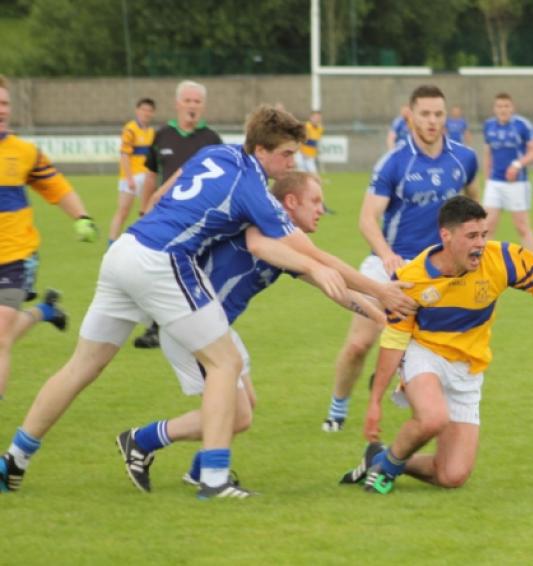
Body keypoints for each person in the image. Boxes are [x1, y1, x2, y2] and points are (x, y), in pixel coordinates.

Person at [0, 105, 413, 499]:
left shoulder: (216, 152)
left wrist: (382, 312)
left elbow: (165, 192)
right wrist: (381, 290)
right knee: (226, 362)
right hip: (161, 262)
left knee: (81, 367)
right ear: (261, 151)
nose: (292, 163)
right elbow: (312, 257)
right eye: (286, 154)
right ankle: (213, 478)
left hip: (126, 249)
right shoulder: (252, 188)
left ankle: (14, 460)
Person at [340, 196, 533, 494]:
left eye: (484, 234)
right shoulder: (412, 278)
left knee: (452, 475)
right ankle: (385, 474)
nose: (480, 244)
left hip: (469, 367)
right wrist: (375, 401)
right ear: (446, 235)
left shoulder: (504, 259)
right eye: (472, 236)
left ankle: (381, 459)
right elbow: (394, 341)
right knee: (433, 418)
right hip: (426, 354)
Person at [116, 172, 385, 493]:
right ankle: (141, 441)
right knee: (239, 415)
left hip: (216, 329)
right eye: (315, 201)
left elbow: (335, 288)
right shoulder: (257, 230)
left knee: (246, 405)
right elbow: (266, 248)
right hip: (190, 325)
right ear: (290, 202)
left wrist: (380, 313)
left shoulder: (286, 248)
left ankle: (200, 468)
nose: (321, 210)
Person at [323, 85, 479, 433]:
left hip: (436, 272)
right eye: (425, 114)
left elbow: (472, 204)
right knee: (359, 344)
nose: (432, 121)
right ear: (410, 115)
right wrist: (387, 255)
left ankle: (420, 400)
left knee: (429, 345)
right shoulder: (394, 162)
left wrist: (476, 245)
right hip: (387, 266)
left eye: (438, 114)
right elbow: (366, 218)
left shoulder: (464, 158)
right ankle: (338, 406)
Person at [0, 75, 98, 400]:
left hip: (14, 257)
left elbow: (55, 186)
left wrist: (81, 217)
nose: (1, 110)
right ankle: (46, 311)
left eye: (5, 103)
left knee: (1, 336)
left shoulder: (24, 152)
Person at [134, 80, 223, 349]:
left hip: (200, 221)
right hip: (163, 219)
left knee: (195, 273)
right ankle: (154, 328)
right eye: (188, 101)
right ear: (178, 104)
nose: (192, 106)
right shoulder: (162, 136)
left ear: (203, 106)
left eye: (197, 101)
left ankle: (196, 327)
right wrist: (143, 209)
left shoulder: (211, 139)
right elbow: (150, 176)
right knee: (158, 273)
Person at [482, 92, 533, 252]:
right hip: (495, 182)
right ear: (494, 109)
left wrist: (517, 164)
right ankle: (482, 265)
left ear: (512, 108)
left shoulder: (522, 125)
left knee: (521, 226)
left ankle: (532, 267)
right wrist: (487, 180)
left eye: (506, 106)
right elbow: (487, 153)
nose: (503, 110)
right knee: (487, 226)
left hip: (517, 183)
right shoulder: (489, 126)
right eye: (499, 106)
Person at [107, 98, 156, 243]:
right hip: (131, 177)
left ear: (153, 113)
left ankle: (140, 241)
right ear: (137, 111)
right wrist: (129, 178)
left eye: (149, 111)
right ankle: (112, 242)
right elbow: (124, 155)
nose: (146, 113)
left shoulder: (152, 132)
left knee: (147, 211)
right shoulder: (130, 129)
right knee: (123, 211)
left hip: (147, 177)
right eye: (143, 110)